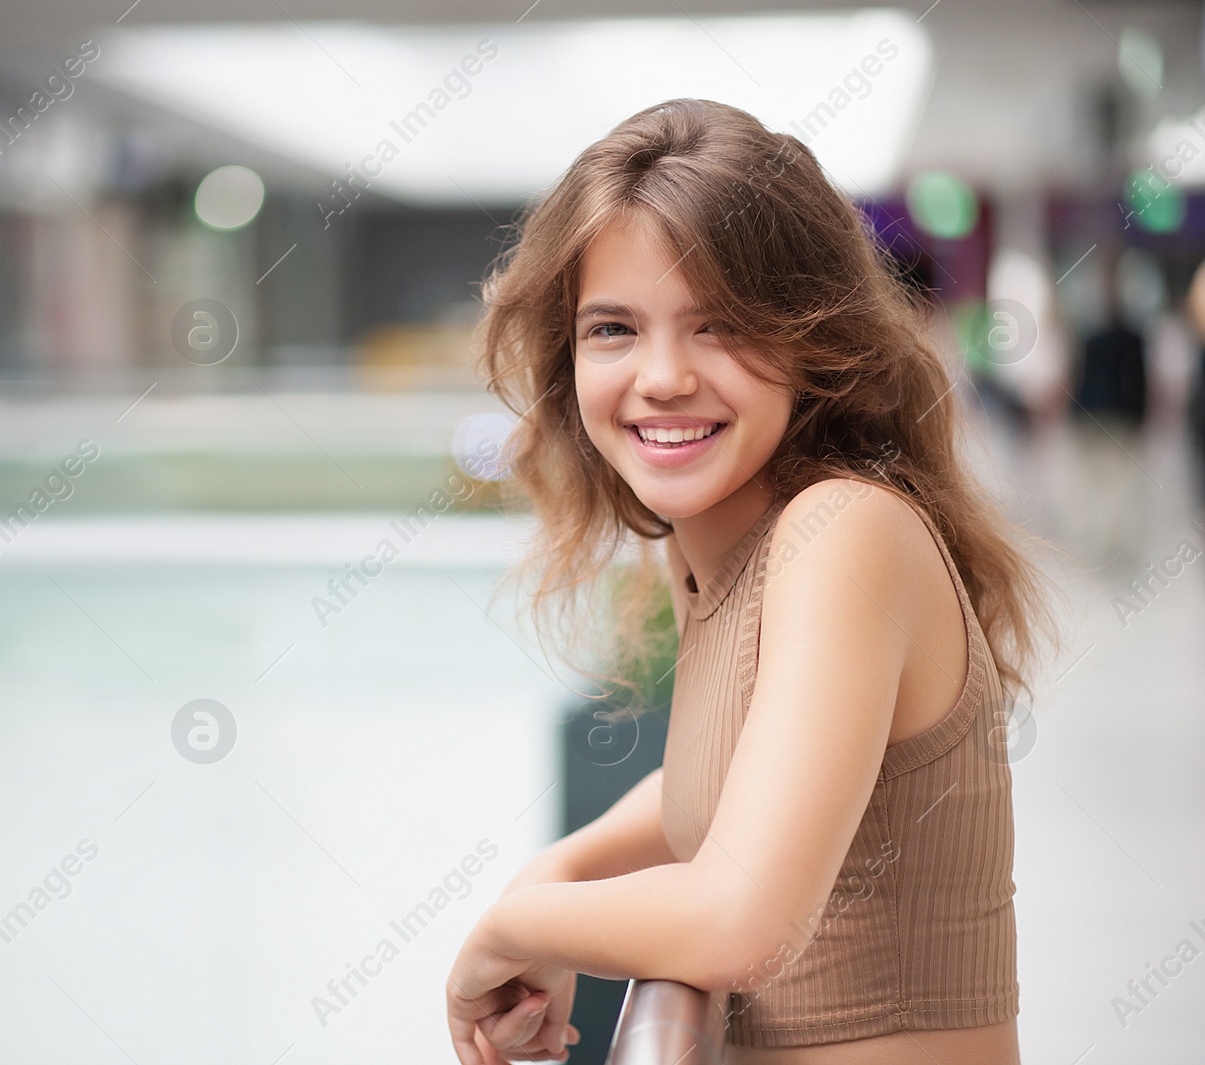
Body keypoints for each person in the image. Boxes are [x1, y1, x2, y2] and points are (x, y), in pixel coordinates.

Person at [445, 99, 1054, 1065]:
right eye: (613, 328)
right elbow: (727, 770)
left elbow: (741, 923)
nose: (662, 376)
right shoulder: (722, 549)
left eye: (719, 324)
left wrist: (514, 930)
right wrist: (554, 870)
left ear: (812, 336)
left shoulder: (841, 531)